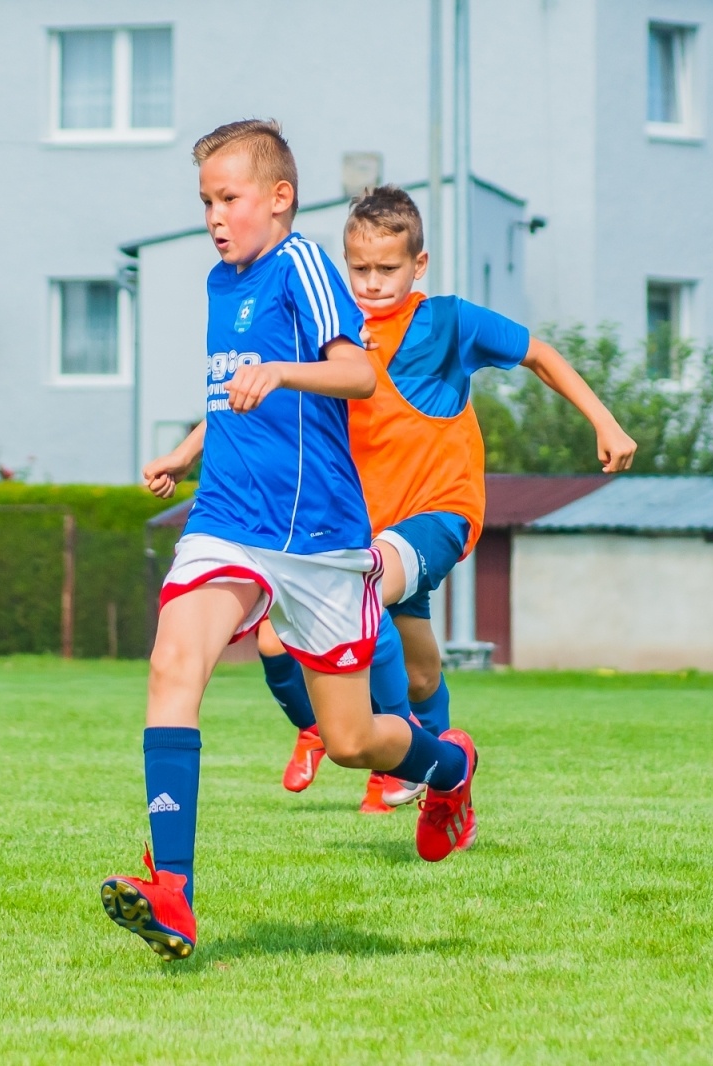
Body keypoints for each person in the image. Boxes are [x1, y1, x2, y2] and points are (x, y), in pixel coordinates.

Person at [100, 120, 478, 961]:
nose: (213, 216)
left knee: (353, 741)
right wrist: (187, 448)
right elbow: (234, 387)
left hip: (319, 540)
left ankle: (449, 772)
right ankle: (174, 891)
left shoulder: (302, 262)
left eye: (227, 198)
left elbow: (357, 373)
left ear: (278, 199)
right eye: (204, 201)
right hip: (228, 523)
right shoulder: (217, 282)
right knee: (173, 662)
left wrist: (282, 372)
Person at [250, 186, 637, 812]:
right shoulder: (335, 337)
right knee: (422, 670)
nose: (372, 283)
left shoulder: (449, 322)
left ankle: (398, 762)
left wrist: (605, 421)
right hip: (370, 530)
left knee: (360, 591)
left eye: (388, 269)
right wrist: (188, 453)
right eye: (360, 269)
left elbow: (537, 353)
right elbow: (261, 394)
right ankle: (446, 789)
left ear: (418, 265)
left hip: (440, 513)